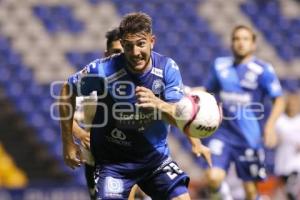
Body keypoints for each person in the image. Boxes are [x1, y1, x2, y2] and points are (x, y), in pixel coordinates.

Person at [59, 12, 211, 200]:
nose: (135, 52)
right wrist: (67, 142)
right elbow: (67, 90)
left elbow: (178, 117)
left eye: (141, 44)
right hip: (114, 164)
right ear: (122, 45)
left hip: (155, 160)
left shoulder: (167, 69)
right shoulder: (103, 70)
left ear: (152, 41)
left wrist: (158, 104)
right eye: (128, 46)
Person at [200, 25, 285, 200]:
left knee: (251, 191)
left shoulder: (263, 70)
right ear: (231, 43)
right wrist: (188, 93)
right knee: (213, 177)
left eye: (245, 39)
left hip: (249, 137)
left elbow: (279, 100)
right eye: (237, 39)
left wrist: (270, 127)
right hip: (222, 134)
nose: (240, 43)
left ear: (253, 44)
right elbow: (206, 89)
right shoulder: (220, 66)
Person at [71, 27, 123, 200]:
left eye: (123, 51)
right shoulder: (92, 86)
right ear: (105, 54)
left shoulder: (141, 82)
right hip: (97, 163)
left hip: (132, 160)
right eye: (115, 51)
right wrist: (82, 134)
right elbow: (66, 113)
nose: (119, 56)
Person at [275, 91, 300, 200]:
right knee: (285, 194)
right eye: (290, 103)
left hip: (296, 165)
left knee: (291, 192)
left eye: (295, 103)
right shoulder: (280, 121)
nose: (293, 105)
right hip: (282, 163)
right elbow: (272, 140)